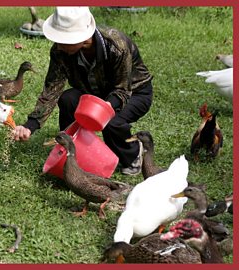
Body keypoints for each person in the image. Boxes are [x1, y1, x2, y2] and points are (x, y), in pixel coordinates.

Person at [12, 7, 153, 175]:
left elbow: (122, 90)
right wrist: (30, 125)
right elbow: (52, 90)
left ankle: (133, 153)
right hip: (95, 92)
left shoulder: (117, 45)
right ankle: (71, 149)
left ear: (84, 38)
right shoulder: (60, 51)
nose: (58, 45)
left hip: (134, 93)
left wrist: (102, 110)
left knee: (111, 122)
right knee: (68, 99)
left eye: (64, 40)